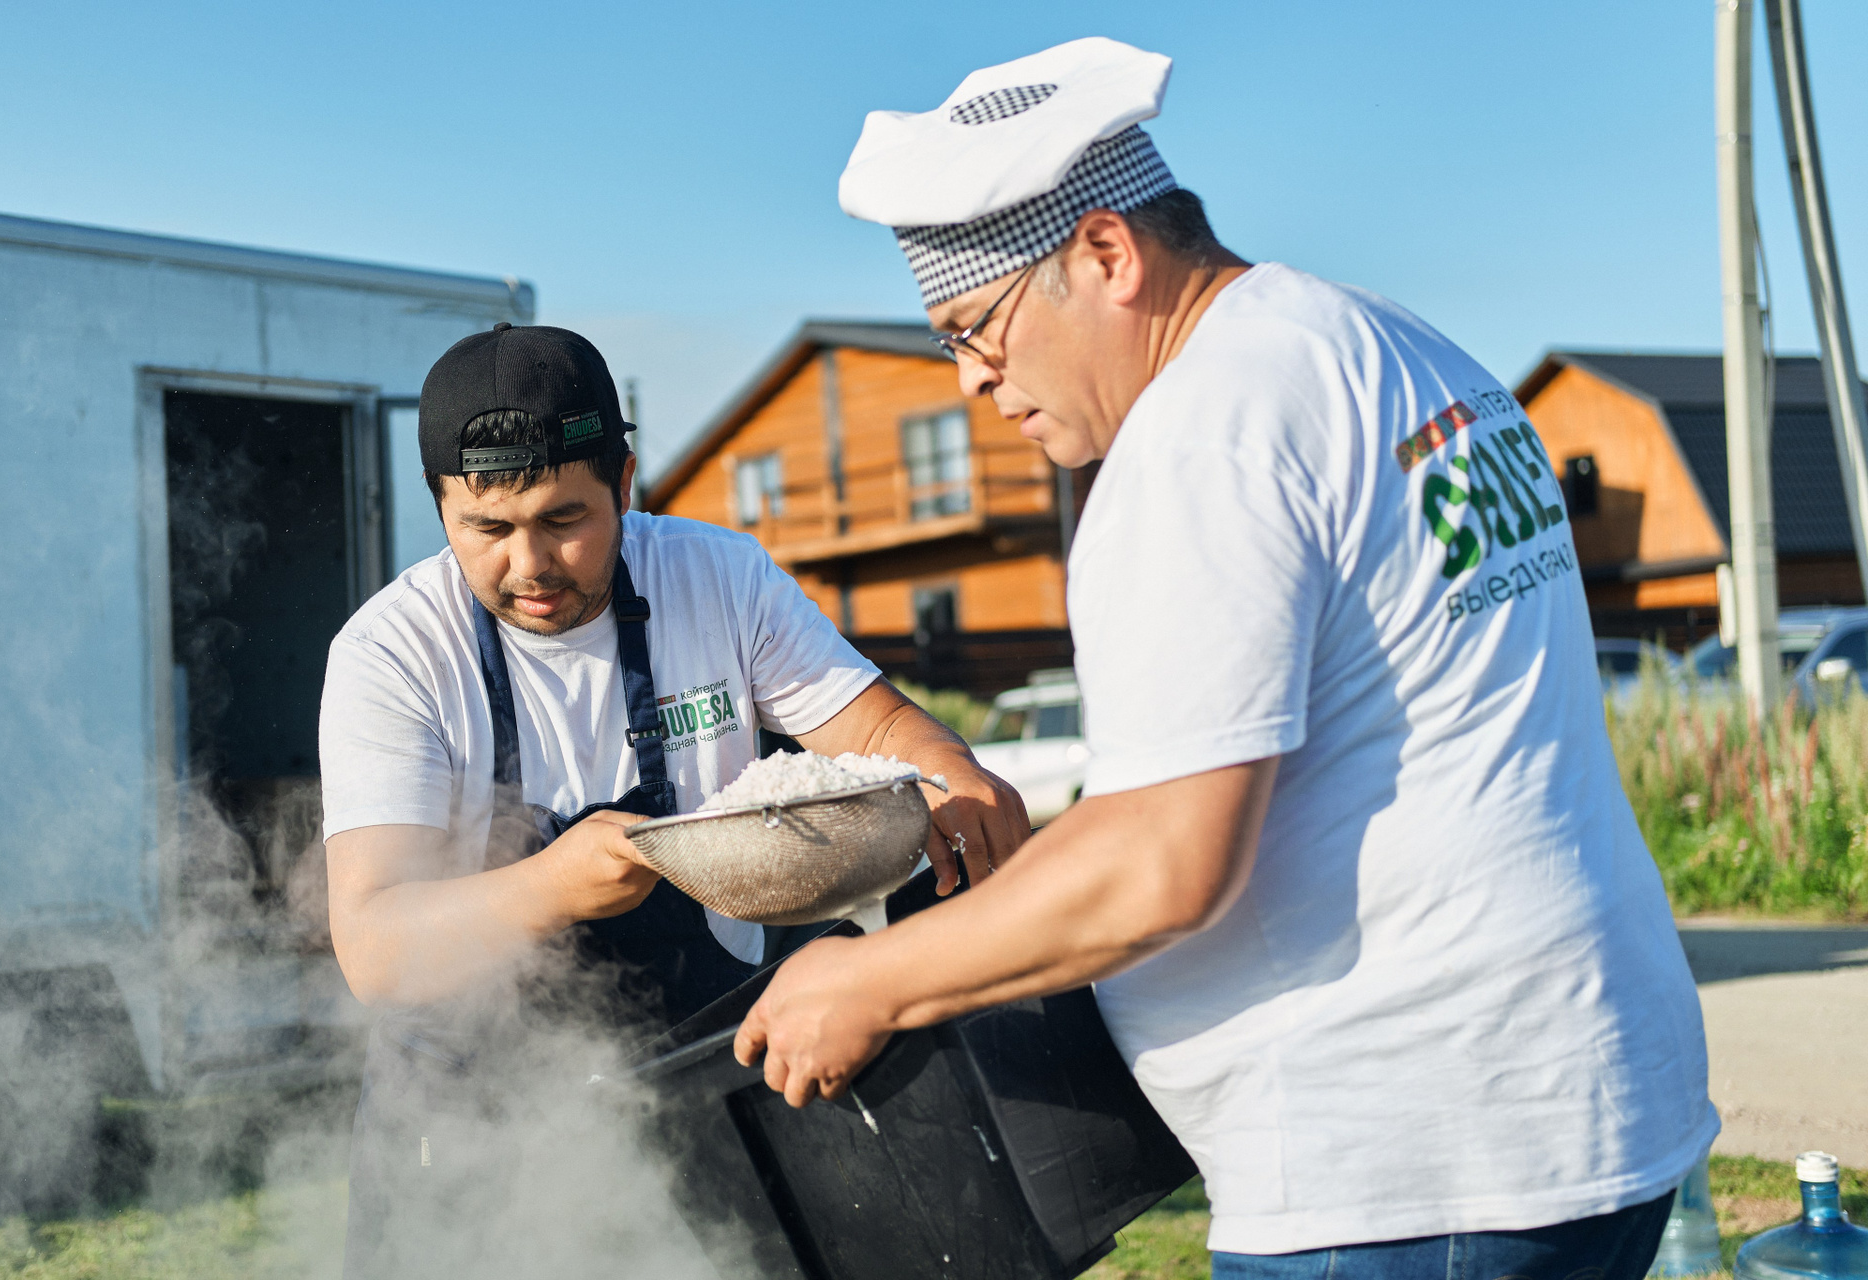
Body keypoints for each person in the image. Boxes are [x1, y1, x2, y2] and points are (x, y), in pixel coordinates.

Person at [735, 36, 1716, 1280]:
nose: (975, 378)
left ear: (1106, 253)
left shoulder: (1200, 441)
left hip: (1407, 1170)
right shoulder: (1385, 345)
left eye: (976, 328)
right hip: (1579, 1102)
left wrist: (872, 980)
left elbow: (1166, 860)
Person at [319, 321, 1027, 1277]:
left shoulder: (718, 578)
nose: (529, 565)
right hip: (468, 1115)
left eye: (564, 519)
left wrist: (953, 770)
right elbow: (374, 946)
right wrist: (555, 884)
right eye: (486, 528)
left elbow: (882, 730)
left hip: (702, 1072)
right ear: (440, 501)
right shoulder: (390, 657)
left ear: (624, 482)